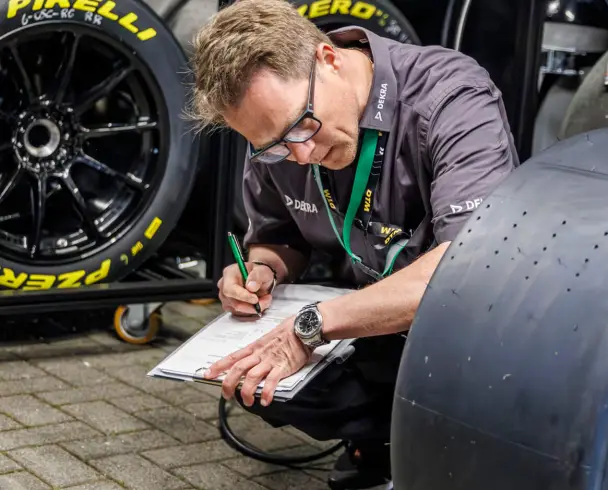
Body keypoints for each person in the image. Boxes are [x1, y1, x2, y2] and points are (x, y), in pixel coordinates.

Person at [187, 0, 519, 487]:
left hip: (469, 331)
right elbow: (277, 234)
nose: (298, 155)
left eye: (302, 126)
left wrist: (309, 327)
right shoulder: (276, 132)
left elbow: (468, 270)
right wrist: (262, 272)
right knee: (254, 381)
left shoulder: (451, 95)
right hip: (369, 321)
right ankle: (381, 444)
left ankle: (451, 444)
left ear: (329, 59)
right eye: (274, 145)